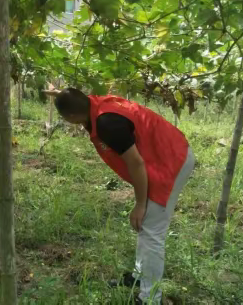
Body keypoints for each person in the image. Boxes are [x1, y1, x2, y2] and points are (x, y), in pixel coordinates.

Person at [44, 85, 194, 304]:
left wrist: (140, 203)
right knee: (145, 227)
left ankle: (150, 298)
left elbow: (136, 162)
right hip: (166, 151)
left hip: (171, 161)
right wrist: (60, 93)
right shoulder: (94, 104)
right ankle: (139, 278)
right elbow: (75, 100)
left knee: (152, 231)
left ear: (72, 117)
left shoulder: (107, 124)